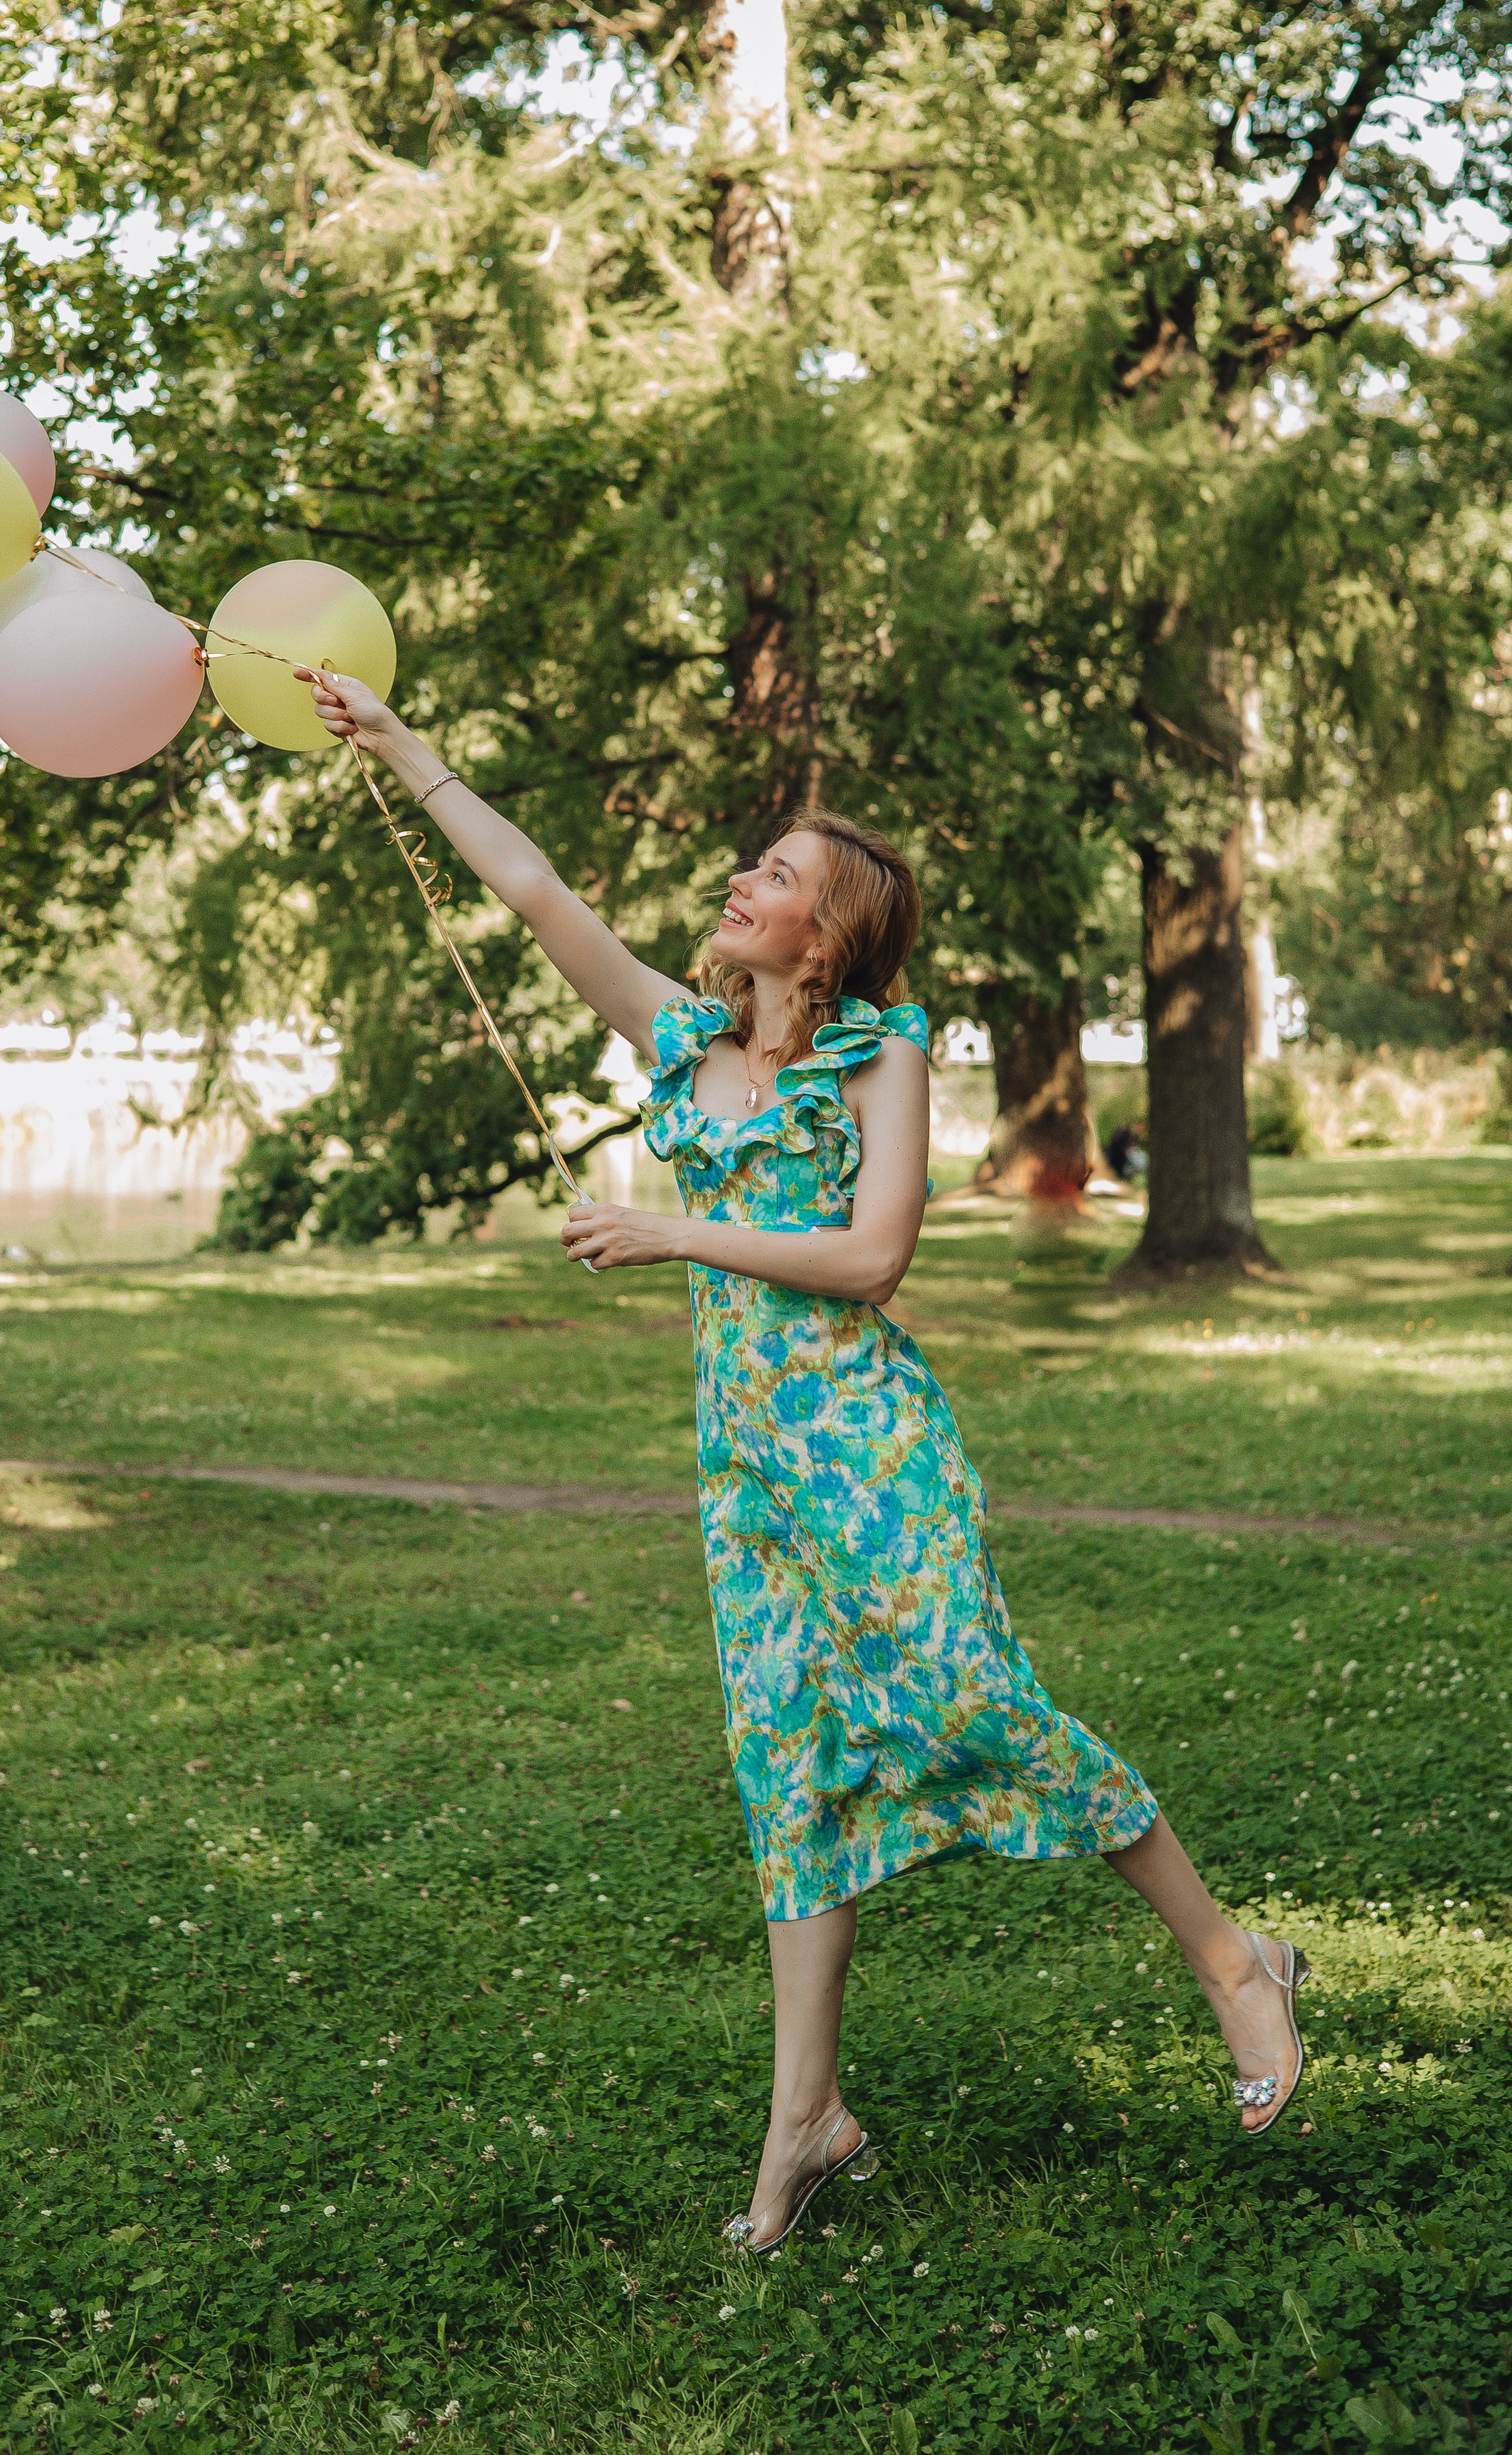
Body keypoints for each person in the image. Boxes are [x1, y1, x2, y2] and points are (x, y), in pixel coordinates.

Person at [305, 669, 1311, 2253]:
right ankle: (805, 2118)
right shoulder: (681, 1034)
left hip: (868, 1442)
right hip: (747, 1467)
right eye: (752, 863)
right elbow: (535, 887)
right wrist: (399, 742)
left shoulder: (879, 1060)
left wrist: (669, 1231)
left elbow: (871, 1259)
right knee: (789, 1772)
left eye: (774, 874)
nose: (741, 879)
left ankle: (1232, 1961)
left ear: (824, 936)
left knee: (975, 1702)